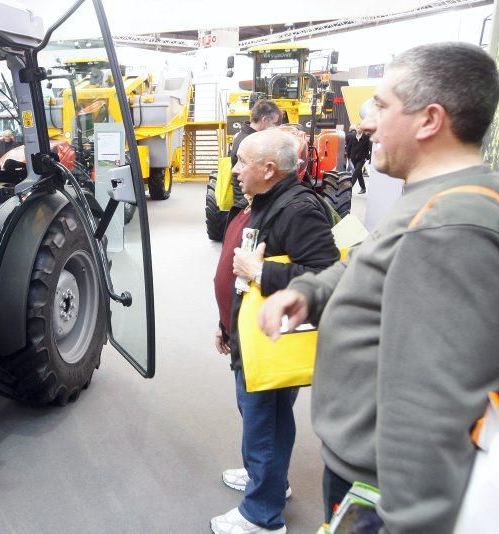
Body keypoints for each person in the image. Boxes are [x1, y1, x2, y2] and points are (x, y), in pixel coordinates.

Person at [258, 42, 499, 533]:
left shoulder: (446, 226)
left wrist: (408, 523)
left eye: (382, 107)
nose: (366, 124)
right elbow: (365, 263)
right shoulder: (432, 202)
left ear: (430, 120)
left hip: (381, 493)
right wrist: (311, 293)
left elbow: (432, 403)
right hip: (364, 472)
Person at [211, 129, 339, 534]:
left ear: (269, 169)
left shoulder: (299, 208)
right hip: (248, 335)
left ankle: (261, 516)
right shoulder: (264, 202)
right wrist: (226, 325)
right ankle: (266, 481)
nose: (235, 169)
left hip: (270, 342)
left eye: (242, 161)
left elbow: (327, 273)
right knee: (258, 416)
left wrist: (262, 271)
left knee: (266, 421)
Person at [228, 100, 281, 210]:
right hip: (247, 200)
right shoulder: (250, 142)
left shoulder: (243, 136)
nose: (276, 128)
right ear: (265, 120)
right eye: (275, 123)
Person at [345, 123, 371, 194]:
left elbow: (369, 148)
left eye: (360, 128)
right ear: (356, 129)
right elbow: (349, 147)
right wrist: (349, 157)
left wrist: (367, 157)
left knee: (356, 172)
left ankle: (349, 188)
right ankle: (363, 188)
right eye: (358, 128)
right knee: (359, 173)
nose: (359, 129)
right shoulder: (353, 137)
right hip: (353, 158)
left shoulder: (366, 137)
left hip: (362, 159)